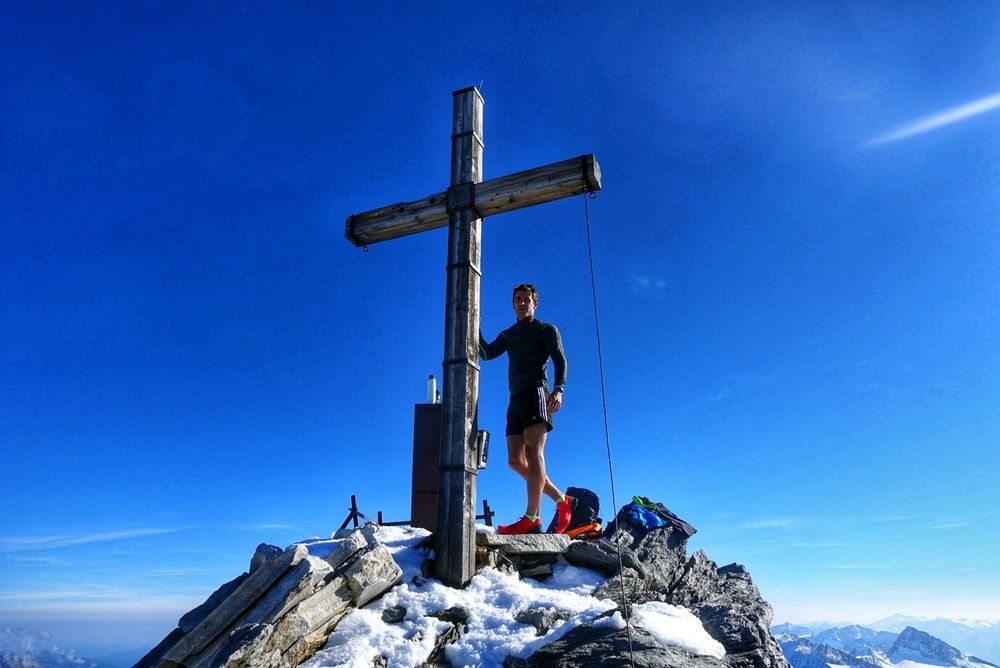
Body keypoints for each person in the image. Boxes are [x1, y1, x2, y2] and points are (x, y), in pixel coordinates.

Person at [479, 283, 573, 535]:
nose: (522, 303)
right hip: (515, 399)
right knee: (514, 461)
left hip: (536, 393)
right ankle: (562, 501)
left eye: (526, 300)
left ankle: (533, 517)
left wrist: (559, 389)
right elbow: (486, 353)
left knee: (534, 453)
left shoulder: (546, 330)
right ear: (513, 304)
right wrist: (473, 324)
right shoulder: (509, 334)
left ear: (535, 304)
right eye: (518, 299)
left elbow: (560, 359)